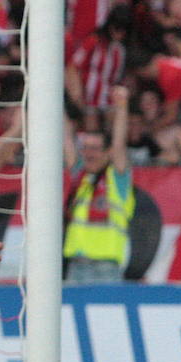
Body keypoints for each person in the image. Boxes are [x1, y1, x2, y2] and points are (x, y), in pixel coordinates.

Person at [62, 85, 134, 283]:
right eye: (85, 148)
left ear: (107, 152)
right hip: (76, 263)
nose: (89, 153)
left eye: (94, 148)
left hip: (106, 265)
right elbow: (66, 136)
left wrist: (122, 106)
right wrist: (53, 98)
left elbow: (119, 144)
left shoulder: (117, 177)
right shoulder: (80, 175)